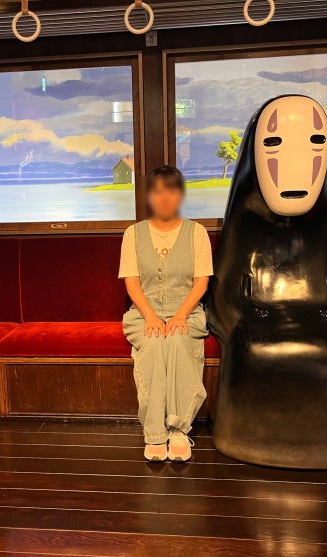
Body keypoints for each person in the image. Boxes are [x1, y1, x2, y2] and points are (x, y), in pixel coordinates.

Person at [119, 165, 213, 462]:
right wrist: (150, 317)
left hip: (187, 310)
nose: (164, 197)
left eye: (170, 190)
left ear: (180, 195)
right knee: (152, 346)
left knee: (178, 342)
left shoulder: (197, 232)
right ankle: (154, 433)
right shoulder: (133, 234)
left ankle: (178, 429)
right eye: (157, 190)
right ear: (149, 196)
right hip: (143, 312)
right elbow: (132, 284)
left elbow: (201, 283)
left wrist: (180, 316)